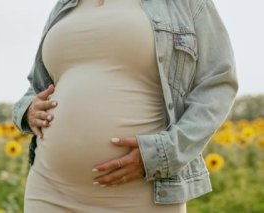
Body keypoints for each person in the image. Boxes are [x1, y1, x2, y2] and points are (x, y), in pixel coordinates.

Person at [12, 0, 238, 212]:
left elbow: (218, 83)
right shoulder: (66, 5)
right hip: (49, 191)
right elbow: (40, 84)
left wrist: (163, 153)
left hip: (140, 194)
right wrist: (28, 108)